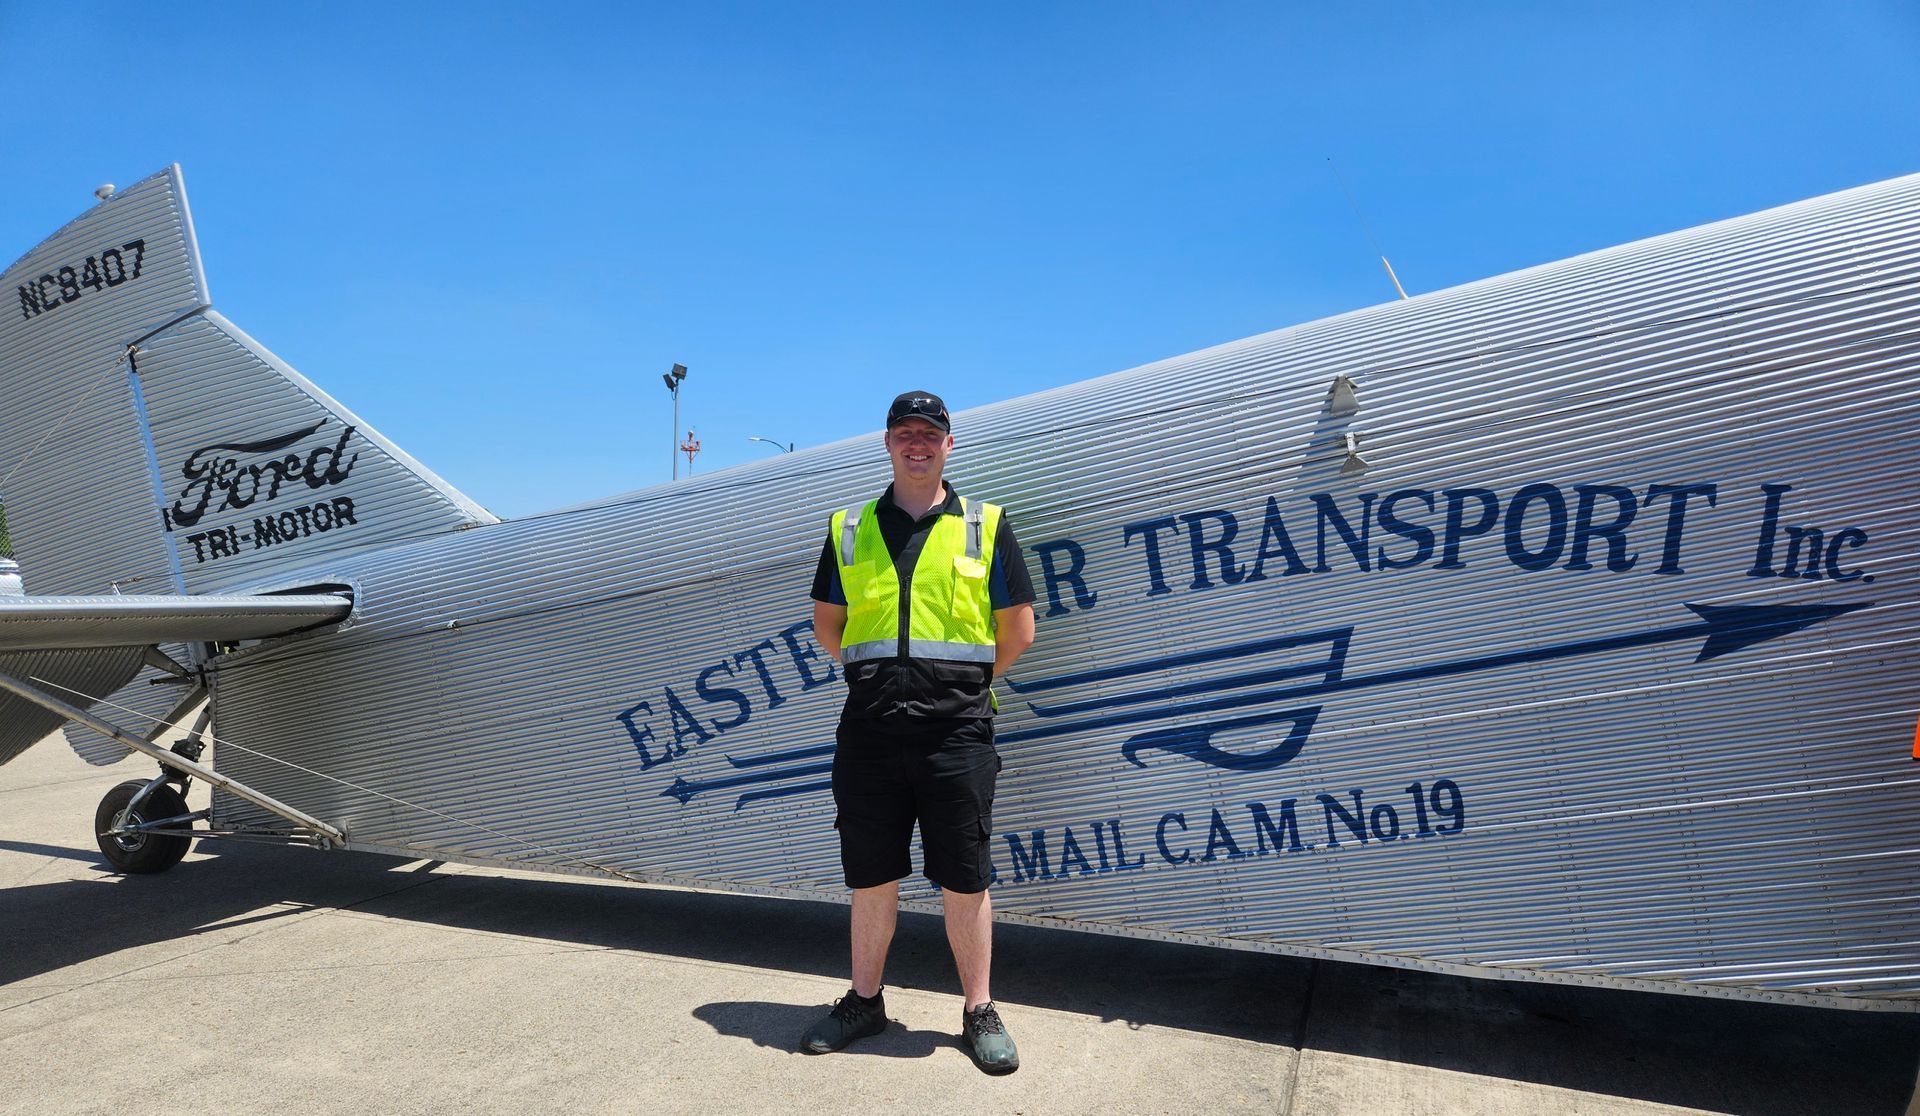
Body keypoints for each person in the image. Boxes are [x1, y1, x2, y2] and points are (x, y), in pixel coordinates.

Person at [802, 390, 1037, 1074]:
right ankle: (865, 1002)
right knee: (871, 877)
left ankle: (978, 1011)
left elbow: (1017, 629)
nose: (916, 443)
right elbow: (827, 623)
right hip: (871, 734)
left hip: (956, 736)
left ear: (948, 444)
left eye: (929, 433)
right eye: (904, 432)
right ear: (887, 442)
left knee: (965, 880)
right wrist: (879, 680)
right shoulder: (849, 526)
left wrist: (959, 687)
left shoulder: (984, 526)